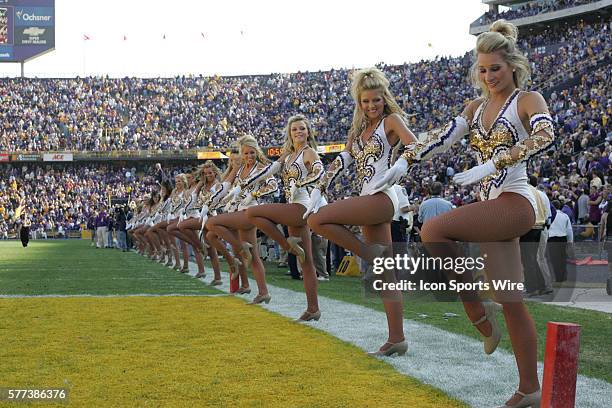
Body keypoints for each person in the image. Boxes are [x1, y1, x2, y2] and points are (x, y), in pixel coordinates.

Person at [375, 20, 552, 407]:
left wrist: (496, 163)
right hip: (493, 207)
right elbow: (439, 140)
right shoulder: (473, 108)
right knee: (512, 299)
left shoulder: (527, 99)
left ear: (513, 66)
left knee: (434, 230)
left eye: (496, 68)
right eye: (482, 69)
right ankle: (529, 389)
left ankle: (475, 306)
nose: (488, 76)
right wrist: (407, 161)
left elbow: (545, 135)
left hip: (515, 200)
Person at [305, 67, 418, 355]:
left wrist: (402, 163)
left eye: (376, 100)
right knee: (384, 274)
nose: (371, 106)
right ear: (359, 101)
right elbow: (340, 162)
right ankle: (397, 339)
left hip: (382, 197)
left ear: (384, 99)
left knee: (318, 220)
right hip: (367, 197)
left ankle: (367, 255)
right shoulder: (356, 131)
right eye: (365, 101)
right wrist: (320, 188)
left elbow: (415, 144)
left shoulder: (391, 120)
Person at [245, 114, 325, 320]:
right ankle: (313, 309)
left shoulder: (309, 152)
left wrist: (301, 183)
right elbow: (269, 170)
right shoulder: (288, 155)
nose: (299, 132)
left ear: (308, 132)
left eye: (302, 129)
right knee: (306, 263)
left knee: (253, 212)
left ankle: (287, 245)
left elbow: (319, 172)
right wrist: (245, 185)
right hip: (294, 208)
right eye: (295, 129)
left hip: (301, 207)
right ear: (290, 134)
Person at [206, 135, 279, 304]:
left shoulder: (262, 167)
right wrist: (216, 201)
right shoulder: (240, 170)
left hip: (250, 211)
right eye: (245, 153)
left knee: (212, 224)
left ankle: (240, 248)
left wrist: (255, 194)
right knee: (253, 255)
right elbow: (225, 189)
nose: (249, 157)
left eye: (252, 153)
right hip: (239, 212)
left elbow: (274, 187)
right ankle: (263, 292)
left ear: (257, 152)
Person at [178, 161, 224, 284]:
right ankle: (217, 277)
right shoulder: (201, 185)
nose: (208, 175)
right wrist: (184, 209)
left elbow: (218, 200)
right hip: (203, 218)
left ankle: (200, 246)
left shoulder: (218, 184)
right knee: (211, 250)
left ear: (215, 172)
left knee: (182, 226)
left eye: (210, 172)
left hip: (212, 217)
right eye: (205, 173)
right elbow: (193, 198)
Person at [548, 199, 573, 283]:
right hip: (563, 238)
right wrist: (570, 241)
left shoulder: (550, 215)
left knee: (554, 259)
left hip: (552, 238)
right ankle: (563, 277)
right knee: (563, 258)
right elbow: (569, 230)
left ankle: (557, 277)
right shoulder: (565, 216)